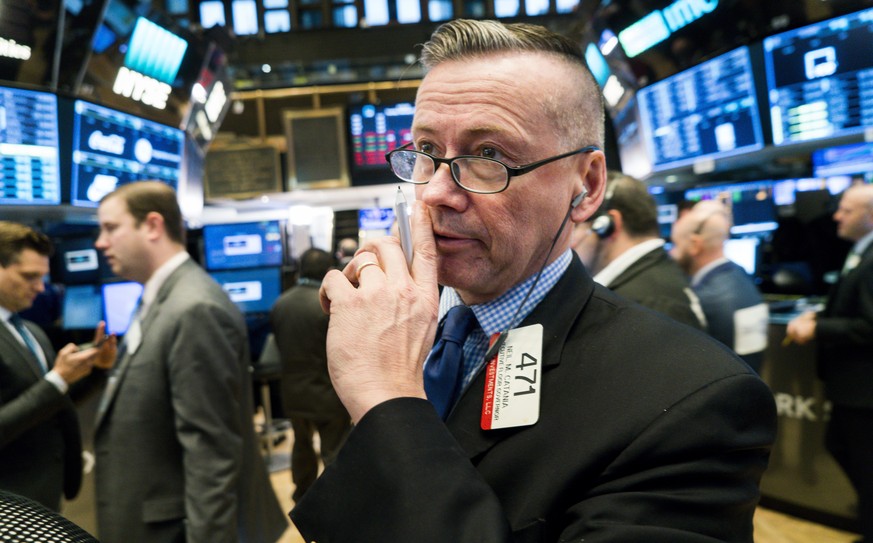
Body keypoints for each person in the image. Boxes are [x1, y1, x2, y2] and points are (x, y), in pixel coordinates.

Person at [290, 19, 776, 542]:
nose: (432, 193)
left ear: (586, 187)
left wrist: (388, 401)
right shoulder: (402, 327)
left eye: (489, 156)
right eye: (425, 152)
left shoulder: (692, 397)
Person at [92, 181, 287, 543]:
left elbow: (211, 453)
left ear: (152, 226)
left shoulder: (194, 308)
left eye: (110, 227)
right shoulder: (161, 297)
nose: (100, 242)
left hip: (177, 529)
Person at [0, 221, 115, 511]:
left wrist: (94, 371)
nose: (40, 288)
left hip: (44, 494)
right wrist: (57, 380)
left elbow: (53, 407)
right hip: (9, 503)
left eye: (43, 277)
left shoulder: (30, 331)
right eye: (29, 276)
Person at [786, 183, 873, 543]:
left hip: (864, 391)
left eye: (846, 210)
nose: (836, 216)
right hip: (853, 388)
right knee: (842, 448)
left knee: (866, 468)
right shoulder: (860, 252)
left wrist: (819, 327)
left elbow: (869, 325)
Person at [571, 171, 705, 329]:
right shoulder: (655, 280)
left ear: (608, 225)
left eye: (576, 226)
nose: (569, 242)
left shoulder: (649, 304)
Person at [270, 248, 351, 503]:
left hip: (294, 395)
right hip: (328, 394)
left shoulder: (280, 303)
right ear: (329, 271)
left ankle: (302, 499)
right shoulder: (328, 307)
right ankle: (336, 504)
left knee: (301, 447)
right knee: (334, 452)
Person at [671, 200, 769, 372]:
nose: (673, 253)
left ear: (695, 245)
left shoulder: (701, 299)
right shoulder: (742, 276)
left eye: (677, 245)